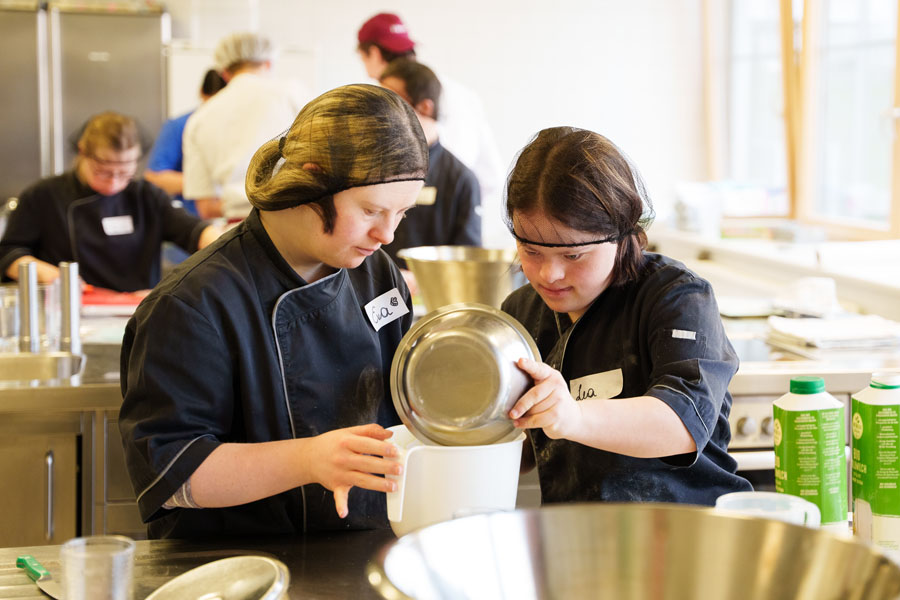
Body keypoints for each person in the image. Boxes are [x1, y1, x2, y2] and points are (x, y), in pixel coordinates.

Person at [119, 84, 429, 539]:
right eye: (370, 210)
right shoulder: (192, 303)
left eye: (401, 213)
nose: (387, 234)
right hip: (236, 561)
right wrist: (308, 459)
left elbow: (404, 400)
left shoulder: (376, 273)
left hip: (362, 547)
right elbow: (172, 476)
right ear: (312, 180)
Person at [501, 127, 752, 506]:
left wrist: (572, 416)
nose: (549, 274)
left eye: (572, 255)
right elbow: (517, 446)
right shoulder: (521, 314)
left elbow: (680, 424)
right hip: (580, 533)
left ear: (620, 233)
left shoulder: (677, 297)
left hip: (687, 529)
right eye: (531, 250)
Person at [0, 111, 219, 293]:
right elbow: (8, 254)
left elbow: (195, 232)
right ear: (83, 152)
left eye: (124, 173)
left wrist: (223, 243)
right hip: (70, 309)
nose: (114, 182)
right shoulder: (43, 195)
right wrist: (52, 276)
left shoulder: (146, 196)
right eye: (103, 172)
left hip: (137, 311)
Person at [356, 12, 507, 248]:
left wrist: (454, 198)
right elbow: (491, 176)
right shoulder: (462, 94)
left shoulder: (390, 95)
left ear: (373, 53)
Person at [379, 59, 481, 290]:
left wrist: (421, 280)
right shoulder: (373, 168)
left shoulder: (461, 179)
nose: (381, 111)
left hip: (431, 298)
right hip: (372, 293)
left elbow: (469, 262)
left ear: (425, 107)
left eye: (392, 100)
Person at [183, 32, 308, 221]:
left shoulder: (199, 118)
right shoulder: (293, 94)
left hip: (239, 228)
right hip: (296, 219)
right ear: (268, 63)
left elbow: (206, 208)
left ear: (224, 73)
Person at [144, 69, 227, 216]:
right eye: (212, 104)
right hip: (192, 218)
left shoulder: (241, 127)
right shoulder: (180, 126)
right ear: (201, 93)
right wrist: (205, 183)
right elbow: (154, 178)